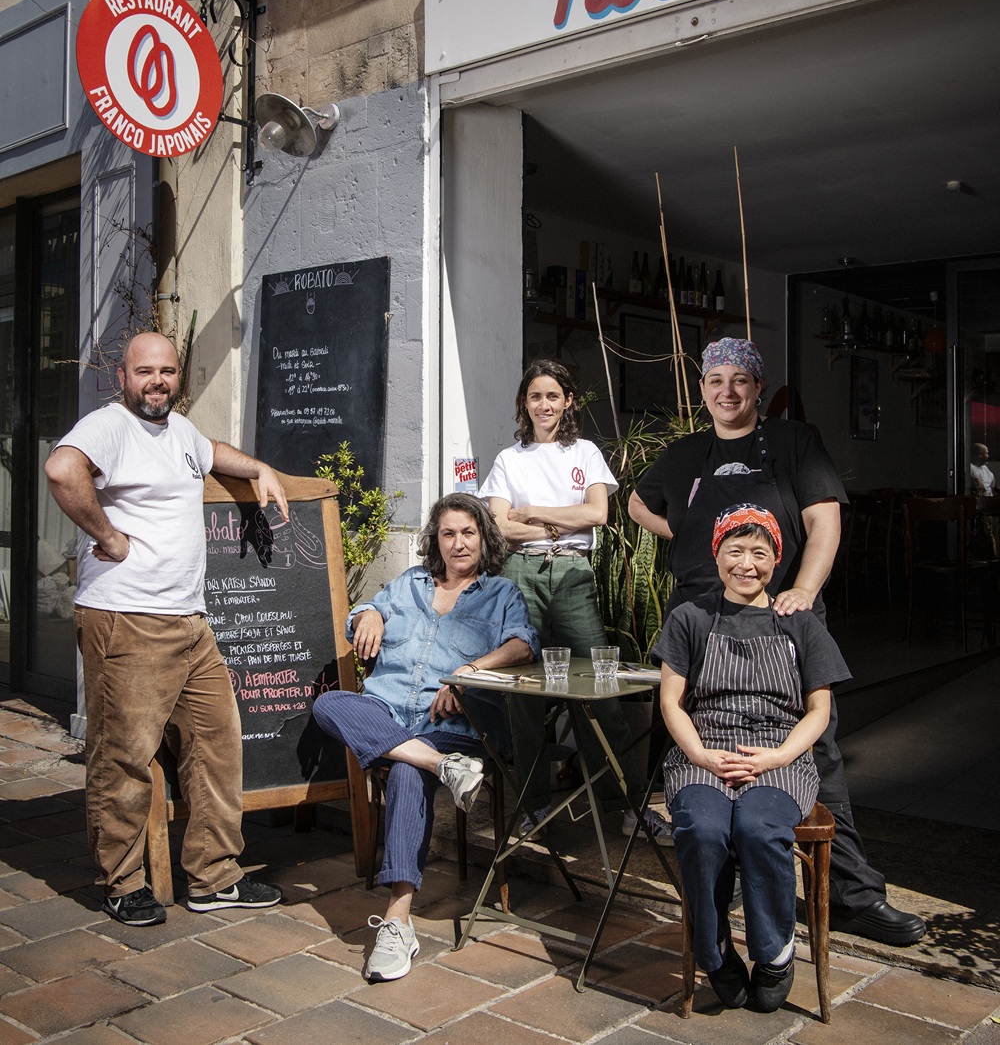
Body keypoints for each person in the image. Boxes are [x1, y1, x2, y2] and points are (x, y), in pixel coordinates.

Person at [628, 337, 926, 946]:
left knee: (817, 757)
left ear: (758, 388)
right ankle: (733, 881)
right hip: (700, 617)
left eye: (741, 380)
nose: (727, 391)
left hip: (779, 615)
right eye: (716, 380)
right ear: (702, 388)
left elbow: (824, 523)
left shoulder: (793, 444)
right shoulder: (685, 452)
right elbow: (634, 503)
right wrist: (682, 529)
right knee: (699, 743)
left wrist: (805, 593)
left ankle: (851, 894)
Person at [44, 331, 288, 926]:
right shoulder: (108, 426)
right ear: (121, 377)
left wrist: (259, 467)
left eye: (169, 371)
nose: (157, 381)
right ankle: (122, 881)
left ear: (179, 378)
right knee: (123, 756)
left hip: (189, 621)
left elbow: (212, 451)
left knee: (216, 744)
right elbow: (61, 469)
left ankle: (214, 877)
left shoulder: (177, 432)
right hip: (127, 618)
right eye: (145, 371)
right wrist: (107, 537)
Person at [311, 493, 537, 982]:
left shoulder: (501, 594)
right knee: (328, 703)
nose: (458, 543)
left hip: (453, 725)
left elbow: (523, 644)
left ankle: (397, 921)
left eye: (468, 532)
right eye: (448, 533)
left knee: (407, 776)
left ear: (484, 538)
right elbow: (363, 610)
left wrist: (469, 672)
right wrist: (367, 614)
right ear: (435, 539)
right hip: (386, 713)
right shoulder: (409, 584)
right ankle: (443, 769)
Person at [655, 504, 852, 1012]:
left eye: (760, 553)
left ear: (777, 561)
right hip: (704, 750)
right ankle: (715, 950)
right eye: (735, 551)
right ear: (717, 554)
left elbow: (818, 711)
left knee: (760, 827)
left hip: (779, 752)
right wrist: (699, 752)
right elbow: (671, 703)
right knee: (702, 828)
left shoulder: (799, 623)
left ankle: (773, 952)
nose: (747, 564)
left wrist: (775, 758)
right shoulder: (690, 617)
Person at [480, 358, 672, 842]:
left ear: (567, 401)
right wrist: (552, 523)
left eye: (552, 395)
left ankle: (626, 807)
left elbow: (599, 512)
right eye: (533, 396)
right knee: (523, 694)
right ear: (524, 404)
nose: (543, 404)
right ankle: (533, 806)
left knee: (596, 686)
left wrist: (536, 512)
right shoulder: (510, 459)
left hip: (571, 572)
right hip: (520, 572)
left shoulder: (584, 452)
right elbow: (499, 525)